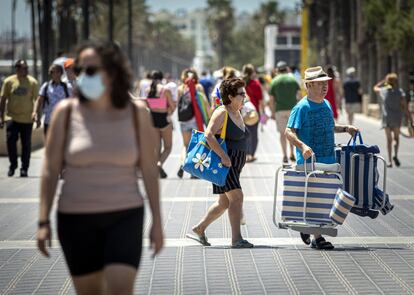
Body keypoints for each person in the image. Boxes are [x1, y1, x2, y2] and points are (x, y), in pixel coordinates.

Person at [36, 41, 163, 295]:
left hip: (125, 215)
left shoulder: (136, 113)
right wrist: (42, 221)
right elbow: (50, 170)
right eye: (80, 69)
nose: (83, 76)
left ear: (112, 72)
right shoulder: (65, 112)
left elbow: (150, 170)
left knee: (120, 289)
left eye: (92, 70)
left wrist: (157, 222)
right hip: (76, 219)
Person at [285, 66, 358, 250]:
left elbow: (329, 126)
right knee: (316, 199)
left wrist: (345, 128)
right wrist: (302, 146)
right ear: (308, 85)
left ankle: (308, 227)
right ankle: (317, 238)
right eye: (319, 84)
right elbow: (288, 131)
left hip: (328, 159)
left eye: (325, 83)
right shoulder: (301, 107)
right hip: (309, 162)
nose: (325, 87)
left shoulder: (326, 104)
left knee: (325, 199)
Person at [191, 78, 253, 248]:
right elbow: (208, 135)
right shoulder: (222, 112)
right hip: (225, 165)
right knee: (237, 198)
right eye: (241, 94)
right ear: (231, 96)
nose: (244, 96)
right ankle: (237, 239)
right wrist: (223, 156)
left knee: (224, 202)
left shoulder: (237, 112)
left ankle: (199, 228)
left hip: (233, 165)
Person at [0, 60, 39, 177]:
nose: (26, 70)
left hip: (27, 119)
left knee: (26, 144)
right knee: (10, 141)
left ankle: (24, 168)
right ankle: (13, 164)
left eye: (27, 68)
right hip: (11, 117)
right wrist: (1, 117)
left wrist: (35, 113)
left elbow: (37, 99)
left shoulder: (33, 82)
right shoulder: (8, 81)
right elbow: (2, 99)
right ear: (17, 69)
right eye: (23, 68)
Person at [176, 68, 210, 178]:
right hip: (196, 120)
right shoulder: (198, 87)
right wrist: (209, 117)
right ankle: (193, 172)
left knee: (185, 145)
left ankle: (182, 164)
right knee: (196, 145)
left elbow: (178, 104)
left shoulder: (180, 88)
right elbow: (204, 102)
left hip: (184, 121)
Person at [144, 70, 176, 178]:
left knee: (157, 148)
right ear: (162, 78)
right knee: (168, 147)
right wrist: (169, 112)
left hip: (153, 119)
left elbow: (148, 106)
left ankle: (157, 168)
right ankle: (158, 165)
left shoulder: (148, 90)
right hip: (164, 119)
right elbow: (173, 106)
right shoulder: (165, 90)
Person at [374, 73, 410, 167]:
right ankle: (395, 155)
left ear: (387, 82)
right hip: (397, 118)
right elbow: (405, 106)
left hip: (387, 118)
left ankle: (389, 161)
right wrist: (410, 118)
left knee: (388, 140)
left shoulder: (383, 91)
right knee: (396, 139)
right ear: (396, 82)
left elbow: (375, 87)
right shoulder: (400, 92)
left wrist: (383, 82)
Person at [269, 61, 300, 164]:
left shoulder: (274, 81)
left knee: (282, 134)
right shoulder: (292, 79)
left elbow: (272, 99)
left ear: (277, 70)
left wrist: (272, 112)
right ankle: (292, 153)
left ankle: (285, 155)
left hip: (280, 110)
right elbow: (299, 95)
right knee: (292, 132)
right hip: (292, 109)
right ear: (286, 69)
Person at [33, 64, 72, 136]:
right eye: (52, 72)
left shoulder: (67, 87)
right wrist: (35, 112)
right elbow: (39, 100)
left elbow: (72, 104)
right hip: (49, 122)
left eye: (56, 72)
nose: (54, 74)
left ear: (61, 73)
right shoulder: (46, 86)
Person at [242, 64, 263, 162]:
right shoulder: (256, 84)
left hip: (241, 112)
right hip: (254, 113)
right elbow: (260, 101)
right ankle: (251, 154)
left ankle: (245, 154)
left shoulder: (240, 83)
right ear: (252, 72)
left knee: (244, 134)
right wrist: (262, 114)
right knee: (254, 135)